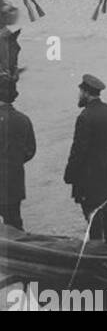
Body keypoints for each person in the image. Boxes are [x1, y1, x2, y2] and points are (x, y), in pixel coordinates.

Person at [63, 74, 107, 245]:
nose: (79, 96)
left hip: (89, 184)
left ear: (85, 92)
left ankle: (98, 261)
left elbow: (78, 151)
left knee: (94, 228)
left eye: (80, 92)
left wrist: (69, 175)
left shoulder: (85, 117)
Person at [0, 75, 35, 230]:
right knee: (14, 222)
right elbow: (30, 151)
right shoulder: (23, 119)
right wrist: (14, 161)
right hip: (14, 179)